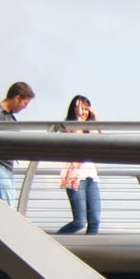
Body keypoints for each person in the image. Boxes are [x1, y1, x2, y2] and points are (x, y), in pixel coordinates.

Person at [55, 94, 102, 235]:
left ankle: (90, 248)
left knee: (95, 221)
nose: (83, 112)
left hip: (91, 176)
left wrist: (97, 121)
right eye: (80, 108)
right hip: (75, 177)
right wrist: (79, 119)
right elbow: (75, 141)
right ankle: (53, 241)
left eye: (86, 109)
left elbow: (105, 142)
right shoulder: (66, 127)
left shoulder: (89, 130)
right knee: (80, 222)